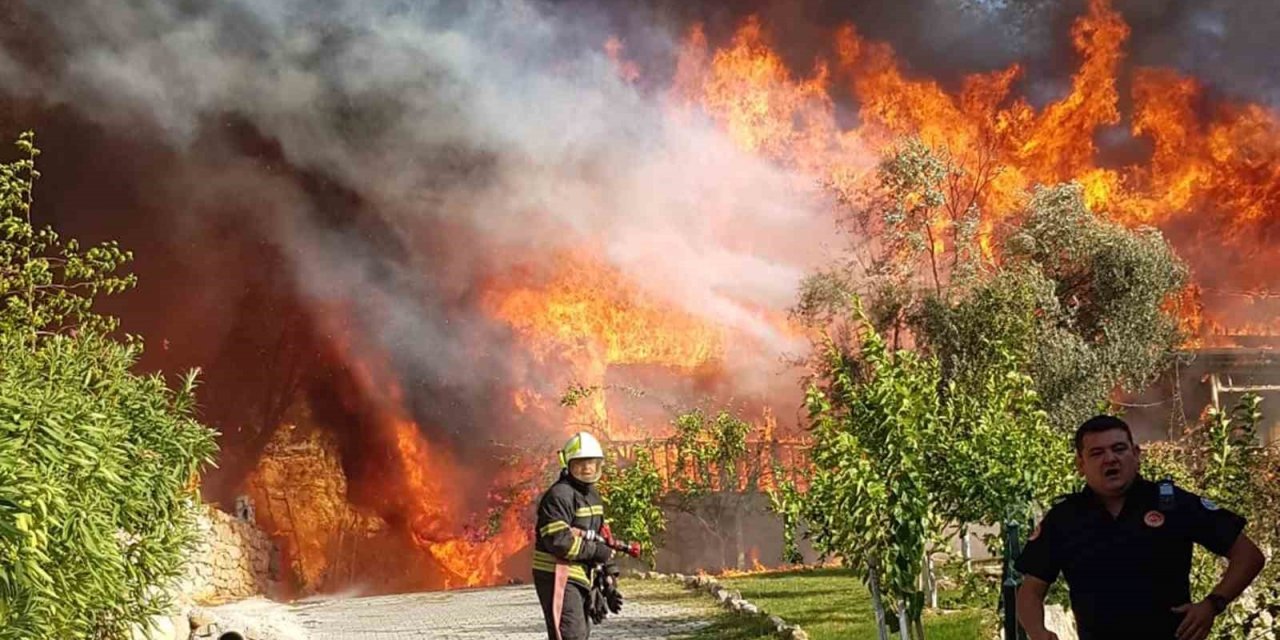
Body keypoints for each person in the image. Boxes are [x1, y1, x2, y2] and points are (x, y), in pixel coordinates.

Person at [1015, 415, 1266, 640]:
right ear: (1080, 465)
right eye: (1097, 453)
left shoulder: (1172, 504)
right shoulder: (1064, 518)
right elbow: (1030, 592)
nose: (1110, 458)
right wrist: (1038, 631)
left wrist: (1212, 604)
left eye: (1119, 448)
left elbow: (1249, 556)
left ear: (1136, 455)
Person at [532, 431, 622, 640]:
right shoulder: (559, 496)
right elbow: (559, 541)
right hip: (557, 574)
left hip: (581, 573)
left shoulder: (593, 496)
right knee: (570, 635)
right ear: (568, 464)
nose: (587, 468)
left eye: (592, 463)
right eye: (580, 463)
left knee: (581, 633)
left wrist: (608, 575)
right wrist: (595, 552)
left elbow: (601, 535)